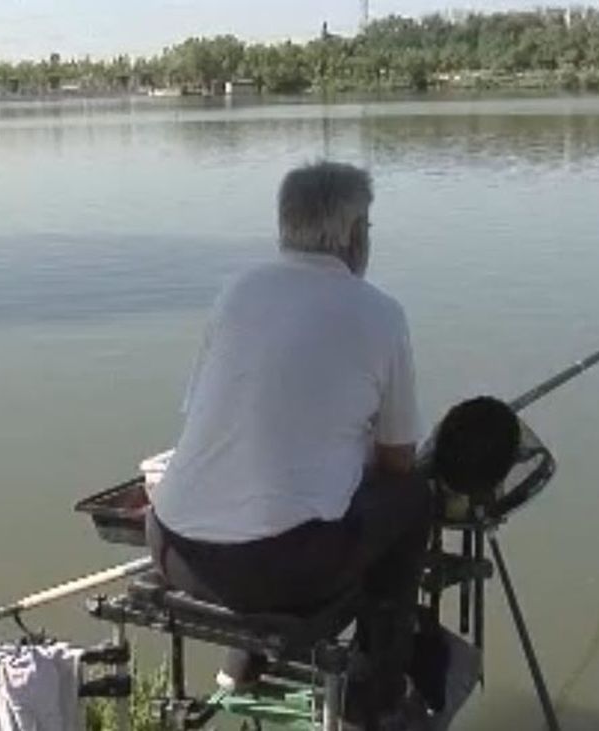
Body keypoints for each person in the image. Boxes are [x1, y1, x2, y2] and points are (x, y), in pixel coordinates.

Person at [146, 160, 431, 727]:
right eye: (367, 229)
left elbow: (220, 417)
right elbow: (398, 460)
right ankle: (375, 689)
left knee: (283, 491)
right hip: (271, 574)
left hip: (171, 545)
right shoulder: (379, 312)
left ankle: (240, 668)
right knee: (412, 497)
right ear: (353, 234)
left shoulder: (236, 292)